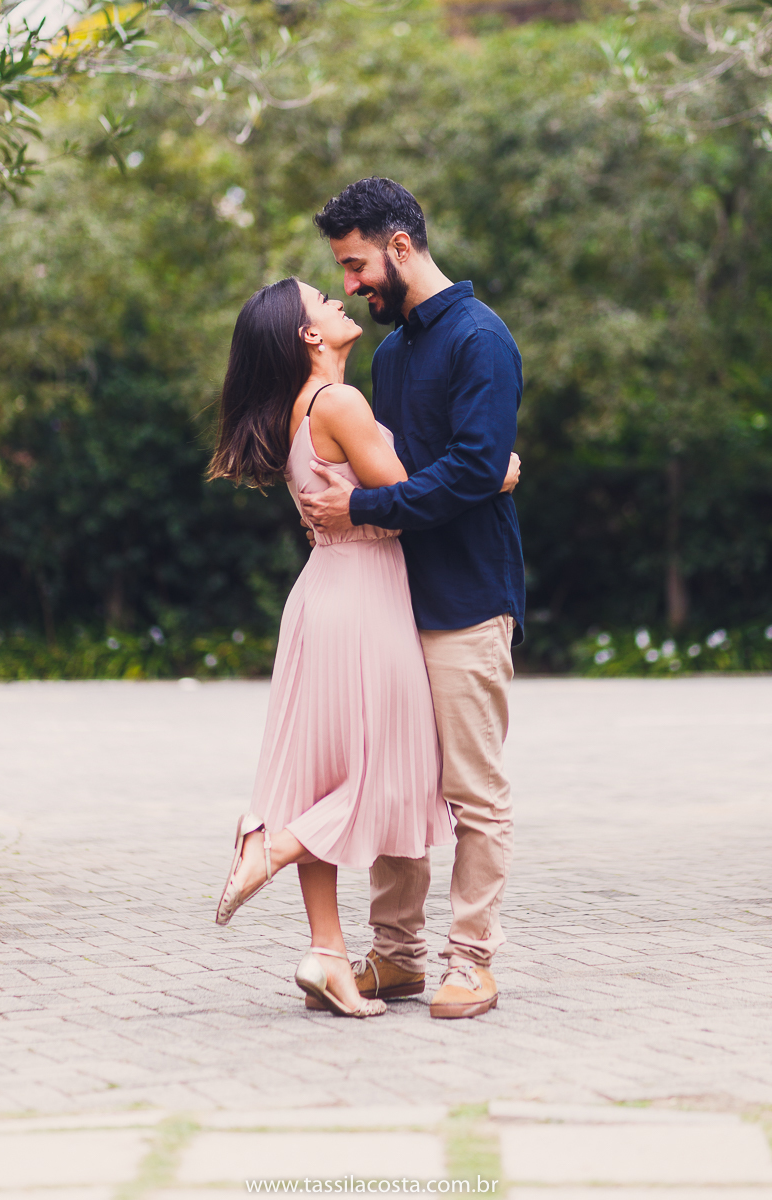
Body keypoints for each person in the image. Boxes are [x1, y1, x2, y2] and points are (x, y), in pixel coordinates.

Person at [299, 177, 526, 1020]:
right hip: (392, 600)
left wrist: (364, 507)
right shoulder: (389, 356)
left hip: (466, 598)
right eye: (343, 271)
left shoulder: (480, 338)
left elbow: (470, 472)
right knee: (396, 782)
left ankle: (472, 960)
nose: (353, 284)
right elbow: (409, 464)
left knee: (474, 793)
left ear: (400, 246)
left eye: (356, 264)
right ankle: (396, 958)